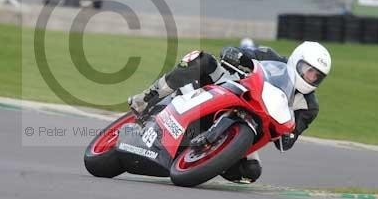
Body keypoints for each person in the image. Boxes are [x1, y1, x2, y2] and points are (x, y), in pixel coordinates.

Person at [128, 42, 331, 183]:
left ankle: (208, 159)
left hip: (253, 126)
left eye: (317, 76)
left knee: (250, 173)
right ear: (297, 61)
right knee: (201, 59)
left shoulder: (309, 106)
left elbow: (288, 140)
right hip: (227, 90)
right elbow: (235, 52)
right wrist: (234, 54)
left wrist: (289, 134)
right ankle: (145, 99)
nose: (311, 77)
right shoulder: (270, 56)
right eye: (308, 70)